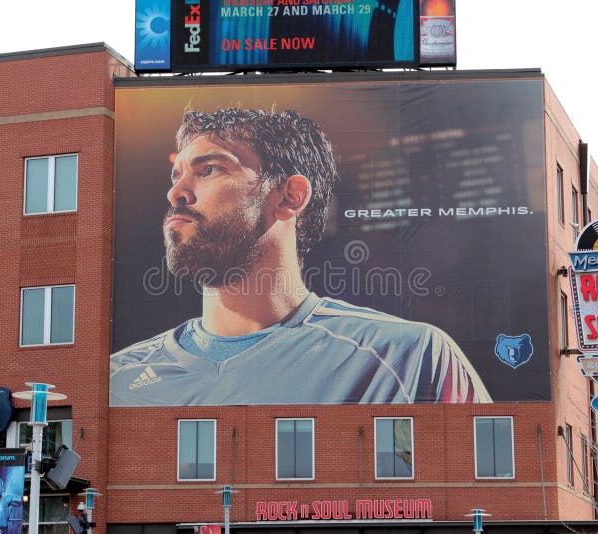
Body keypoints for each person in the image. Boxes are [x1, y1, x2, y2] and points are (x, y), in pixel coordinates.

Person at [110, 108, 491, 405]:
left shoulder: (408, 356)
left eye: (209, 169)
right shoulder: (117, 379)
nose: (176, 192)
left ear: (290, 196)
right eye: (175, 176)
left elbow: (488, 496)